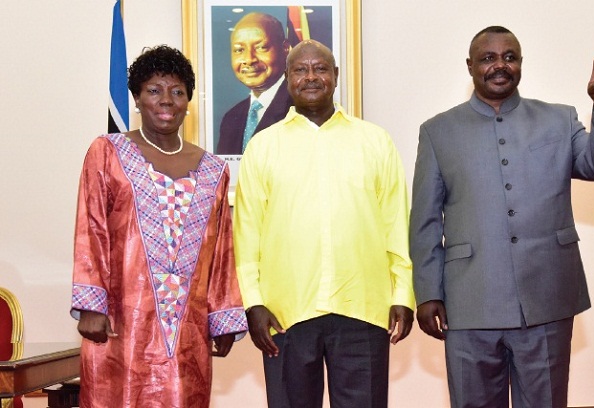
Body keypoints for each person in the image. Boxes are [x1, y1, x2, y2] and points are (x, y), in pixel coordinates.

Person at [410, 26, 594, 407]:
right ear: (470, 66)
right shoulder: (438, 131)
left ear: (520, 63)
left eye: (509, 57)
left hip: (547, 298)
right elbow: (425, 221)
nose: (499, 65)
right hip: (469, 301)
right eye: (488, 58)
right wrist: (427, 292)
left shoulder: (559, 119)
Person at [233, 39, 415, 408]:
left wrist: (402, 294)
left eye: (320, 68)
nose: (311, 76)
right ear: (287, 79)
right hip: (285, 313)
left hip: (363, 309)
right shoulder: (263, 147)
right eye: (301, 69)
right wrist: (252, 303)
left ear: (335, 76)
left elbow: (396, 223)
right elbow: (247, 232)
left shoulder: (375, 141)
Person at [70, 45, 248, 408]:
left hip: (188, 329)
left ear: (188, 101)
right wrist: (91, 303)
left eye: (177, 92)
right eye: (154, 90)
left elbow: (223, 250)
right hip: (119, 324)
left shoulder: (214, 169)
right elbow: (91, 227)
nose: (166, 100)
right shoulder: (107, 152)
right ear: (137, 98)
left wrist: (223, 316)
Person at [216, 12, 293, 155]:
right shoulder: (231, 118)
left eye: (261, 47)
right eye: (239, 50)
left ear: (285, 49)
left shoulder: (301, 110)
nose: (249, 59)